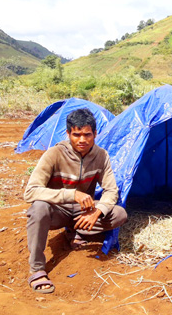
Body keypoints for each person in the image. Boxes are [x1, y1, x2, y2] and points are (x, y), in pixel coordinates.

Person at [24, 108, 127, 294]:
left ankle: (76, 230)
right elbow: (30, 192)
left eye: (87, 134)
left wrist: (98, 211)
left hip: (83, 211)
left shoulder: (101, 155)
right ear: (68, 134)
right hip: (57, 211)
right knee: (38, 208)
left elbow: (111, 190)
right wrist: (71, 194)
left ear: (95, 134)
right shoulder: (54, 154)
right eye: (76, 134)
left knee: (119, 214)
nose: (82, 140)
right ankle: (37, 268)